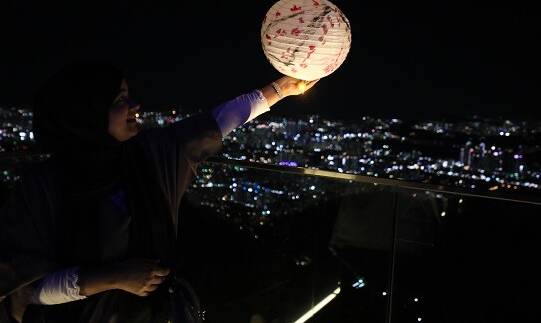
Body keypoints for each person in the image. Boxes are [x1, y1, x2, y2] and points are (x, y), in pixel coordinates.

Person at [0, 60, 318, 323]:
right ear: (84, 115)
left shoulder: (150, 156)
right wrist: (111, 277)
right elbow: (24, 288)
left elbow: (216, 123)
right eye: (118, 101)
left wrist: (280, 89)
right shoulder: (39, 186)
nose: (135, 106)